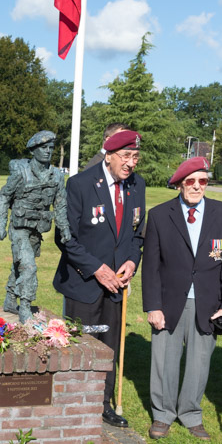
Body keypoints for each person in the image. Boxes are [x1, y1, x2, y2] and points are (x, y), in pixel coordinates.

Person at [54, 129, 146, 428]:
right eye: (125, 156)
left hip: (117, 284)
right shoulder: (80, 184)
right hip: (84, 283)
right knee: (81, 344)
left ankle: (102, 404)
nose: (131, 163)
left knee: (109, 347)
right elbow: (65, 238)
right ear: (109, 156)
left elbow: (136, 233)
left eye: (135, 157)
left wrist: (132, 260)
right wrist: (97, 269)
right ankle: (72, 403)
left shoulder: (137, 186)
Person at [142, 156, 222, 440]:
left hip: (208, 303)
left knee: (200, 362)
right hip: (169, 300)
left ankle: (191, 414)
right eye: (190, 181)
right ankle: (162, 414)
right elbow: (151, 267)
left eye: (203, 181)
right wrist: (153, 307)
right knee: (164, 360)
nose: (197, 187)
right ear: (179, 185)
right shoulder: (160, 215)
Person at [0, 131, 71, 323]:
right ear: (33, 150)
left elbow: (60, 204)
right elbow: (4, 196)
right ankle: (25, 307)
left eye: (51, 148)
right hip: (19, 227)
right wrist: (0, 225)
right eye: (43, 148)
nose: (48, 152)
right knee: (29, 267)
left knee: (20, 263)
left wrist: (64, 229)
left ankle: (11, 299)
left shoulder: (56, 176)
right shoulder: (21, 173)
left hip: (37, 229)